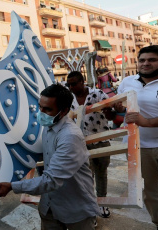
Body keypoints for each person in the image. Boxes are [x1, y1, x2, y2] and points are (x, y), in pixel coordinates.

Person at [0, 84, 99, 230]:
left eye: (47, 109)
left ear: (64, 111)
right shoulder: (49, 127)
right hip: (49, 206)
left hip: (75, 208)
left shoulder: (69, 137)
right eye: (40, 107)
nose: (41, 112)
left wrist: (12, 186)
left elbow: (51, 180)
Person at [115, 45, 158, 230]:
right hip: (139, 145)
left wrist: (148, 122)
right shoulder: (127, 82)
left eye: (152, 60)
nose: (146, 63)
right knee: (150, 191)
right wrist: (117, 108)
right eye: (142, 60)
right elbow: (120, 108)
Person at [67, 71, 114, 218]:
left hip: (101, 140)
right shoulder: (68, 99)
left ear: (82, 81)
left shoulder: (98, 94)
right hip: (80, 142)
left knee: (101, 173)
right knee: (86, 176)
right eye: (69, 85)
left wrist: (109, 111)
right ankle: (89, 208)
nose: (71, 87)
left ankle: (102, 202)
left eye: (74, 84)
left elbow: (112, 115)